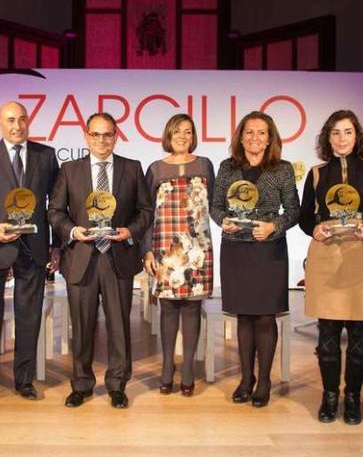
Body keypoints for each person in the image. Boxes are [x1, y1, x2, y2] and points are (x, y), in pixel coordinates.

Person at [48, 112, 153, 409]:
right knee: (81, 325)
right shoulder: (69, 170)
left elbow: (145, 211)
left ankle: (118, 385)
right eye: (95, 134)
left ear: (116, 136)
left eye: (107, 134)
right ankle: (81, 384)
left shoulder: (132, 169)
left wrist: (129, 232)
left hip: (118, 256)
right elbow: (55, 211)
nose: (101, 140)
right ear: (85, 136)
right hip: (81, 258)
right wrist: (72, 231)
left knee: (120, 324)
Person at [0, 101, 59, 403]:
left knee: (29, 316)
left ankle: (24, 379)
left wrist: (56, 244)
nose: (16, 126)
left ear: (28, 121)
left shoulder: (46, 155)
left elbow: (56, 206)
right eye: (10, 120)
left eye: (21, 119)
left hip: (34, 247)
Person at [299, 110, 363, 424]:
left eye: (347, 132)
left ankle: (353, 397)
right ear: (327, 137)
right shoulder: (317, 173)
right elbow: (304, 217)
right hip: (327, 255)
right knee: (328, 334)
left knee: (360, 335)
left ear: (357, 136)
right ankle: (329, 396)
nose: (341, 138)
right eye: (335, 133)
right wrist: (315, 230)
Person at [210, 111, 299, 408]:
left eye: (261, 133)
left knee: (264, 316)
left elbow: (294, 210)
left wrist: (274, 227)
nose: (254, 138)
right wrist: (223, 221)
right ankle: (245, 379)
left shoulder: (283, 169)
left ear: (270, 138)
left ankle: (264, 381)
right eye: (249, 132)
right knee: (244, 316)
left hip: (268, 250)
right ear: (240, 136)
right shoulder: (227, 167)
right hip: (236, 249)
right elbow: (216, 206)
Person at [142, 113, 215, 397]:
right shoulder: (156, 168)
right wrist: (146, 250)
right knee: (169, 307)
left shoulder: (205, 164)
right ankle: (167, 366)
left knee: (193, 307)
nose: (182, 136)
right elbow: (147, 214)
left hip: (198, 246)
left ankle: (187, 369)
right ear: (168, 136)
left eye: (188, 131)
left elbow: (218, 203)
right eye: (177, 132)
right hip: (165, 247)